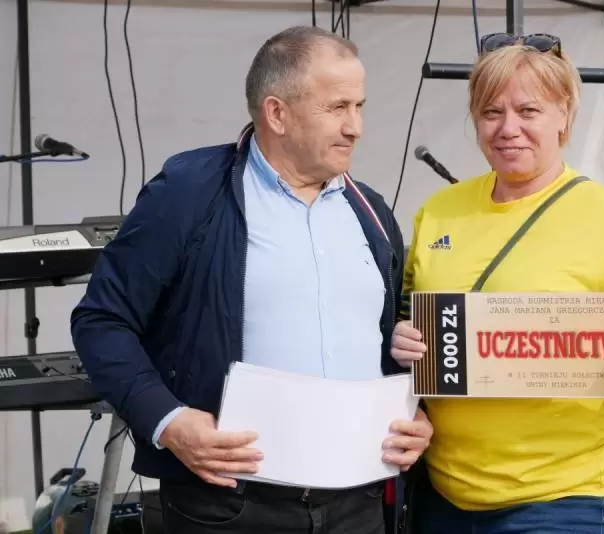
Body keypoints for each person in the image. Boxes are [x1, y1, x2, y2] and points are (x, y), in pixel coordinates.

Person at [71, 25, 432, 534]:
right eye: (337, 107)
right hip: (228, 506)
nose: (356, 127)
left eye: (359, 106)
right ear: (276, 113)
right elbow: (102, 320)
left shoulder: (370, 211)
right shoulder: (189, 193)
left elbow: (384, 340)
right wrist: (168, 421)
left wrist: (413, 408)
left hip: (359, 504)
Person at [390, 33, 604, 534]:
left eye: (529, 110)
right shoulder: (438, 212)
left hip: (570, 498)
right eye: (491, 112)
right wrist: (402, 343)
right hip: (445, 493)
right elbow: (409, 334)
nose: (508, 129)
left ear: (564, 115)